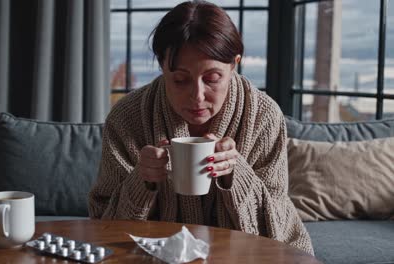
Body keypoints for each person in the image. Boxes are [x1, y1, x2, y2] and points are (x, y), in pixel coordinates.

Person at [89, 0, 313, 255]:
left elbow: (276, 228)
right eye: (181, 80)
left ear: (234, 64)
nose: (197, 96)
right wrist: (142, 181)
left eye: (212, 79)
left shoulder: (264, 116)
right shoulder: (126, 119)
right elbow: (103, 225)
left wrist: (236, 173)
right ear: (162, 65)